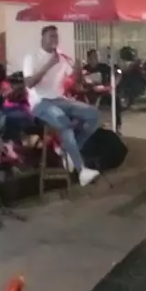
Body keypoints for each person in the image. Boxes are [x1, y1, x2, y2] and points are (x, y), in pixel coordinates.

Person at [23, 26, 100, 187]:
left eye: (56, 37)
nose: (54, 40)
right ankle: (81, 170)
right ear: (42, 38)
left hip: (60, 99)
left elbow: (74, 82)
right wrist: (49, 65)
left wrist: (77, 71)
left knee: (93, 114)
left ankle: (68, 150)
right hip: (40, 103)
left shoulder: (62, 58)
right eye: (51, 36)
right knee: (63, 121)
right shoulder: (32, 57)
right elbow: (29, 84)